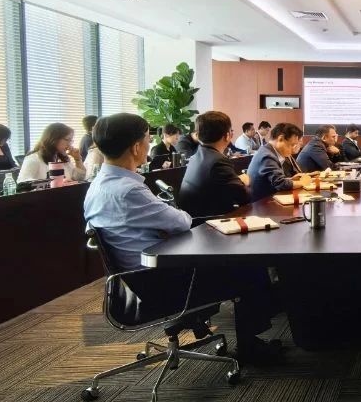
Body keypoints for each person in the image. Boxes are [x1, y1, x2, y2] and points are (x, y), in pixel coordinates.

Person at [82, 113, 281, 365]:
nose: (149, 144)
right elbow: (182, 221)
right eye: (148, 138)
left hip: (136, 280)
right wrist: (169, 223)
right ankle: (250, 348)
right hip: (161, 283)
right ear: (136, 147)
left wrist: (165, 227)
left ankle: (238, 335)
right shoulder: (128, 190)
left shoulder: (98, 185)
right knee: (249, 267)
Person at [177, 111, 251, 219]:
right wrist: (245, 181)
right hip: (209, 223)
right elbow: (244, 197)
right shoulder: (218, 162)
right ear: (228, 135)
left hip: (192, 219)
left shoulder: (196, 155)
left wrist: (237, 180)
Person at [246, 123, 312, 202]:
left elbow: (276, 180)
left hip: (269, 200)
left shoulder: (268, 150)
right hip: (262, 204)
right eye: (292, 145)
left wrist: (291, 179)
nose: (292, 149)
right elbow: (280, 184)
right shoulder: (267, 155)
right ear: (281, 139)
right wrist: (303, 182)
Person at [18, 123, 86, 182]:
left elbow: (78, 179)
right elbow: (22, 183)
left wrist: (78, 159)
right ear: (54, 139)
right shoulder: (34, 159)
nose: (70, 144)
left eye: (71, 141)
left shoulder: (61, 157)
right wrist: (56, 183)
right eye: (67, 140)